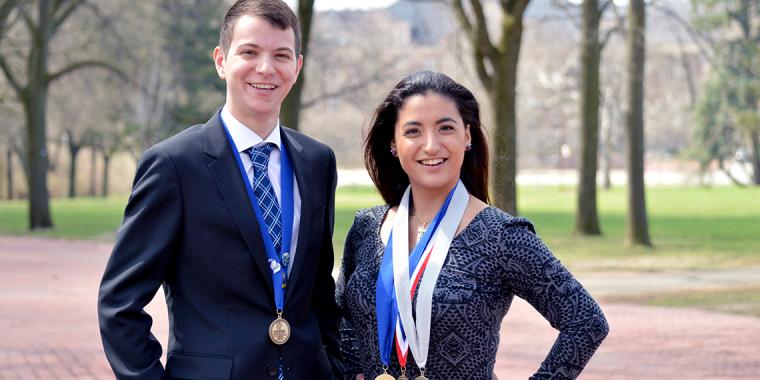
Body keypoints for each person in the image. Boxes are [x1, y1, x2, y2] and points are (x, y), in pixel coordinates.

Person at [98, 1, 343, 378]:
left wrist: (336, 367)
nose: (266, 68)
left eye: (281, 55)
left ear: (297, 66)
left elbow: (319, 290)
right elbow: (120, 305)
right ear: (221, 61)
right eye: (249, 52)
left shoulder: (317, 162)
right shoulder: (174, 165)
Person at [336, 71, 609, 380]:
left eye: (445, 128)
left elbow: (586, 321)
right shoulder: (366, 227)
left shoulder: (502, 235)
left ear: (466, 137)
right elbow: (344, 318)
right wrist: (352, 370)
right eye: (413, 131)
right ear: (394, 143)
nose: (430, 145)